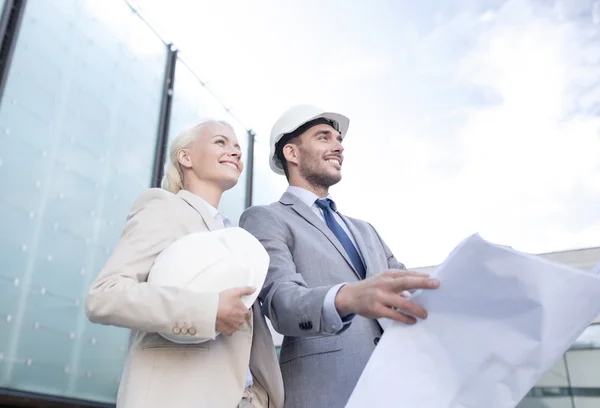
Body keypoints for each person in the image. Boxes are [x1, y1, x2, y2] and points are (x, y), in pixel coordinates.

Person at [239, 105, 440, 408]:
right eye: (324, 138)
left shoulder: (366, 230)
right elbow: (282, 302)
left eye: (339, 140)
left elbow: (410, 288)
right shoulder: (265, 219)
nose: (338, 147)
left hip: (396, 388)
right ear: (292, 153)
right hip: (325, 392)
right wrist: (347, 298)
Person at [85, 120, 284, 408]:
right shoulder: (163, 207)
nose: (235, 151)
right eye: (221, 142)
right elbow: (105, 295)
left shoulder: (235, 236)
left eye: (238, 147)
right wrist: (207, 311)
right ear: (186, 157)